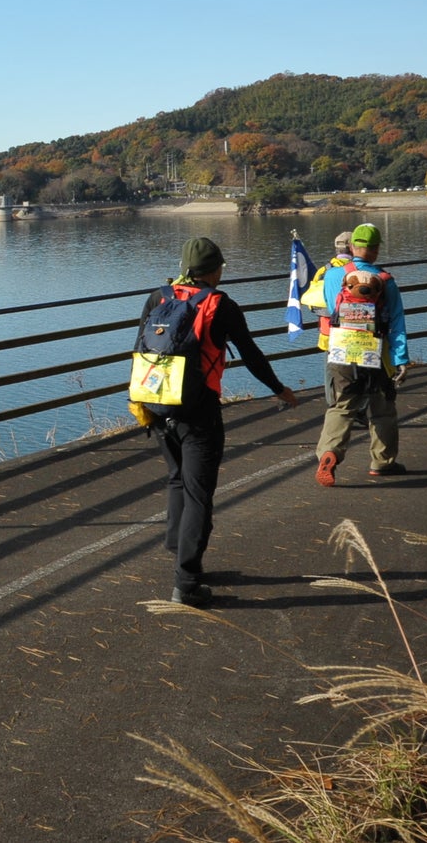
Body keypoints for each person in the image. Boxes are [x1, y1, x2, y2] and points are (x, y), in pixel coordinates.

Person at [139, 236, 300, 607]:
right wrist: (279, 389)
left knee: (178, 478)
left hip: (158, 403)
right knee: (199, 493)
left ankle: (179, 549)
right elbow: (251, 354)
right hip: (199, 410)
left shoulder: (158, 297)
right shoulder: (220, 304)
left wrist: (142, 404)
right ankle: (187, 582)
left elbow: (138, 349)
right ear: (215, 270)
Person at [314, 223, 409, 485]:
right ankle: (382, 462)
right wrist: (401, 359)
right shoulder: (385, 281)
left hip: (342, 349)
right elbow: (397, 322)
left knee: (342, 405)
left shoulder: (333, 276)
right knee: (382, 409)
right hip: (375, 351)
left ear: (352, 246)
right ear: (376, 249)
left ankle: (329, 452)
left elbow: (332, 308)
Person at [300, 229, 357, 413]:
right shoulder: (359, 270)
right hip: (357, 329)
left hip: (328, 331)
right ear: (353, 247)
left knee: (331, 371)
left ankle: (333, 405)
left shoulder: (323, 271)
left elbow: (311, 303)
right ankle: (357, 408)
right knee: (358, 369)